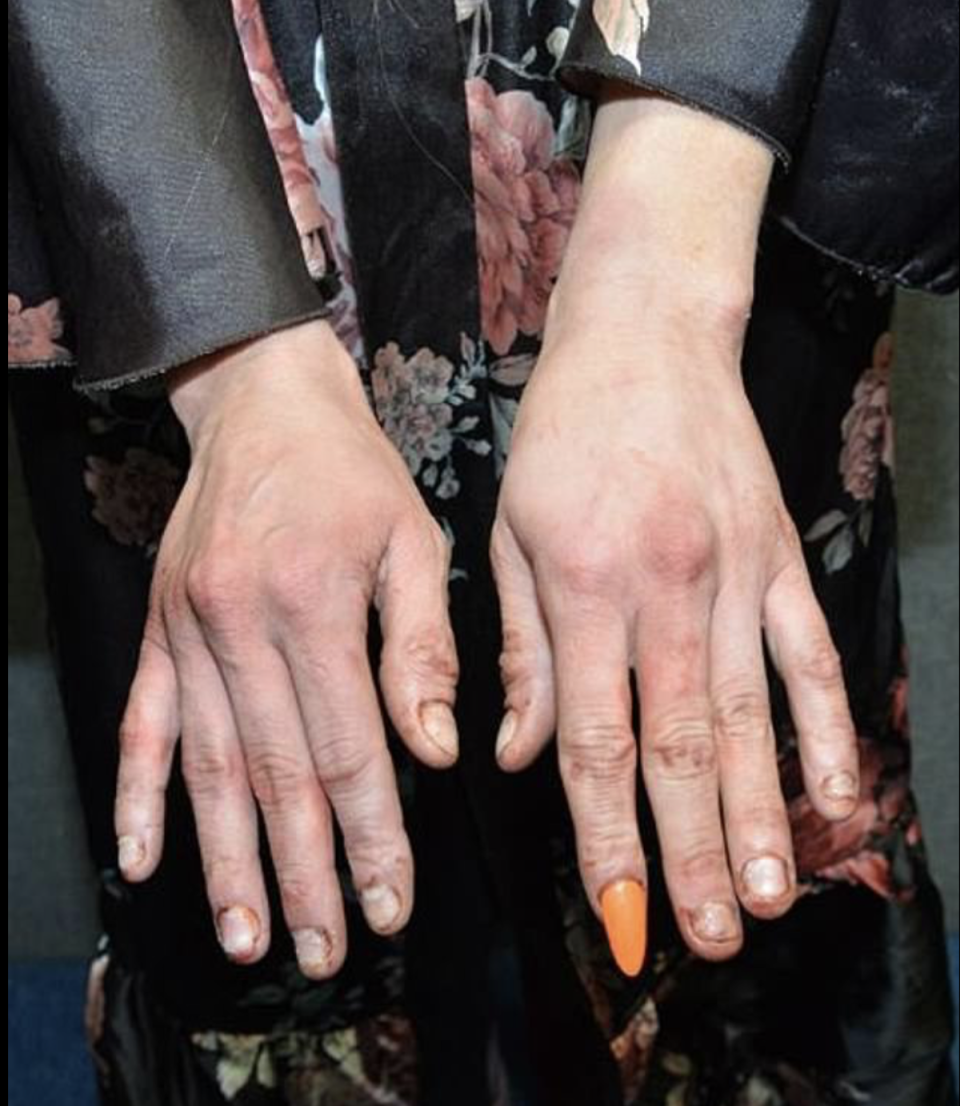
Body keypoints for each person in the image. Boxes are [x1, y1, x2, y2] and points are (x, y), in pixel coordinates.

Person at [8, 1, 958, 1103]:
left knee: (718, 707)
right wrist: (226, 349)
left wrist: (666, 271)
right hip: (168, 111)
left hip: (708, 109)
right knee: (268, 751)